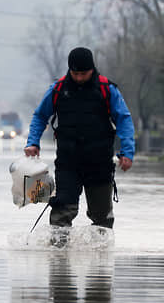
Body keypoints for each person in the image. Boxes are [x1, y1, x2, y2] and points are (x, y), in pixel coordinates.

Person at [24, 47, 135, 230]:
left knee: (102, 219)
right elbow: (40, 116)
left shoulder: (107, 89)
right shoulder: (58, 89)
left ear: (92, 69)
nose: (79, 78)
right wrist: (33, 142)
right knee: (61, 214)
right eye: (75, 74)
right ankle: (58, 256)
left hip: (100, 163)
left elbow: (124, 120)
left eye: (84, 73)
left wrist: (127, 153)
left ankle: (101, 256)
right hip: (68, 163)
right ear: (70, 71)